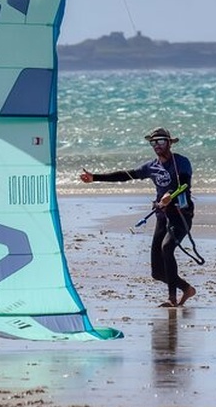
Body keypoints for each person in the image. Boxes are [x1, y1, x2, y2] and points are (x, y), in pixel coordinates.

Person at [80, 127, 197, 308]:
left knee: (167, 248)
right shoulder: (151, 167)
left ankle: (172, 299)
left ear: (169, 143)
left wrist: (170, 195)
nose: (156, 145)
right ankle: (186, 289)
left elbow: (184, 184)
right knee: (157, 273)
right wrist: (94, 177)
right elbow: (126, 175)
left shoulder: (181, 162)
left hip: (181, 215)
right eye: (153, 142)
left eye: (160, 141)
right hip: (161, 216)